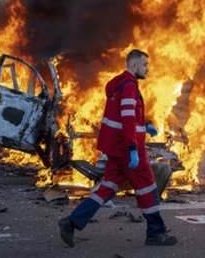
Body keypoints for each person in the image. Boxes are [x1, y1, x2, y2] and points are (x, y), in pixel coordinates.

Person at [58, 49, 177, 247]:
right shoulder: (129, 86)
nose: (147, 68)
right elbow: (128, 120)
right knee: (148, 188)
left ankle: (72, 222)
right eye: (145, 64)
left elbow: (126, 115)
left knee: (107, 188)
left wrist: (144, 124)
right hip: (128, 150)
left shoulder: (119, 84)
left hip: (115, 149)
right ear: (134, 66)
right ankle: (156, 232)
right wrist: (132, 149)